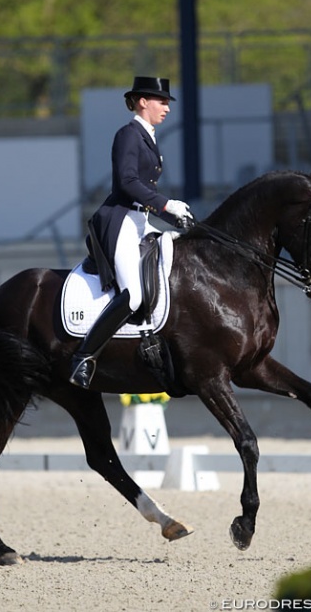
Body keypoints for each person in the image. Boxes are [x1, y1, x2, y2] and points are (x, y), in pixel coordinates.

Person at [69, 76, 193, 389]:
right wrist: (166, 205)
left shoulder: (148, 137)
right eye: (161, 101)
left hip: (141, 221)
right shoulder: (128, 135)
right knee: (133, 295)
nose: (166, 108)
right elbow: (126, 183)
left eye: (167, 102)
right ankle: (83, 357)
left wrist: (175, 218)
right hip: (121, 220)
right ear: (142, 102)